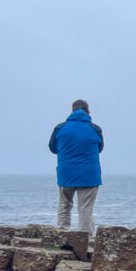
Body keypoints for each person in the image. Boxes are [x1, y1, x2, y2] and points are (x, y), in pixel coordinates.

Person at [49, 99, 104, 234]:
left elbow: (53, 148)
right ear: (88, 111)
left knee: (64, 206)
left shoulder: (60, 128)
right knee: (85, 209)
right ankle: (85, 238)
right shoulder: (95, 129)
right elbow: (100, 148)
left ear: (72, 111)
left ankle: (62, 234)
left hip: (66, 173)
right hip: (89, 175)